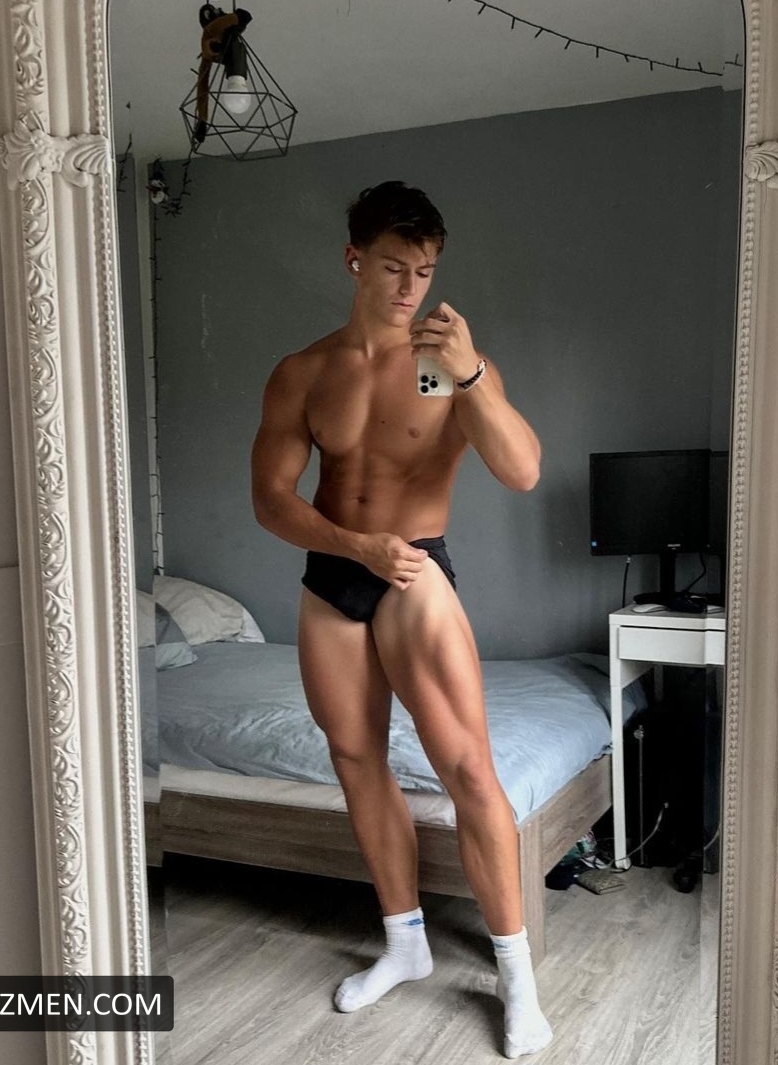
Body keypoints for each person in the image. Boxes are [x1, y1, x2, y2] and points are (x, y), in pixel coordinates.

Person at [250, 180, 552, 1058]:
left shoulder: (443, 363)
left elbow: (522, 470)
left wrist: (470, 373)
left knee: (466, 767)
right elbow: (271, 500)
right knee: (355, 759)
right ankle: (405, 942)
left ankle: (516, 980)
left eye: (423, 270)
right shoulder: (306, 371)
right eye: (392, 268)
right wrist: (354, 545)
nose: (409, 287)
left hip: (414, 571)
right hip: (334, 574)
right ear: (354, 260)